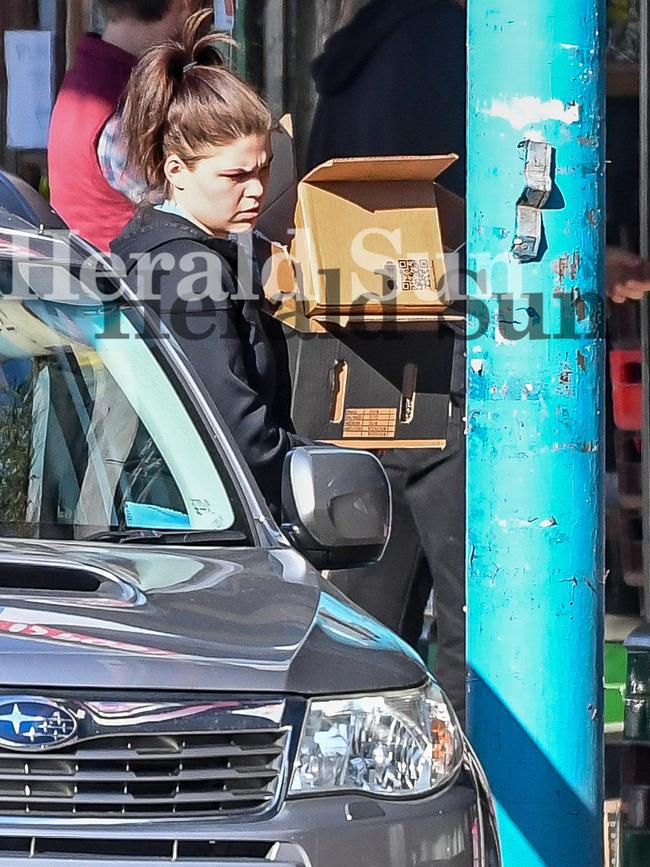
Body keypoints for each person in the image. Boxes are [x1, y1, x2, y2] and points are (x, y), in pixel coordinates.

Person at [308, 0, 468, 720]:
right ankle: (474, 806)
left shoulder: (352, 60)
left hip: (358, 370)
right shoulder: (461, 43)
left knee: (366, 637)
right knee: (477, 628)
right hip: (451, 365)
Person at [110, 10, 309, 514]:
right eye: (234, 175)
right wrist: (313, 466)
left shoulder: (169, 248)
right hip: (196, 530)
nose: (257, 190)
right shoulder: (183, 270)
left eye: (264, 169)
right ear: (175, 171)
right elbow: (235, 433)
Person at [48, 0, 198, 252]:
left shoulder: (90, 78)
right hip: (124, 278)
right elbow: (182, 210)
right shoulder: (120, 105)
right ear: (185, 4)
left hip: (87, 273)